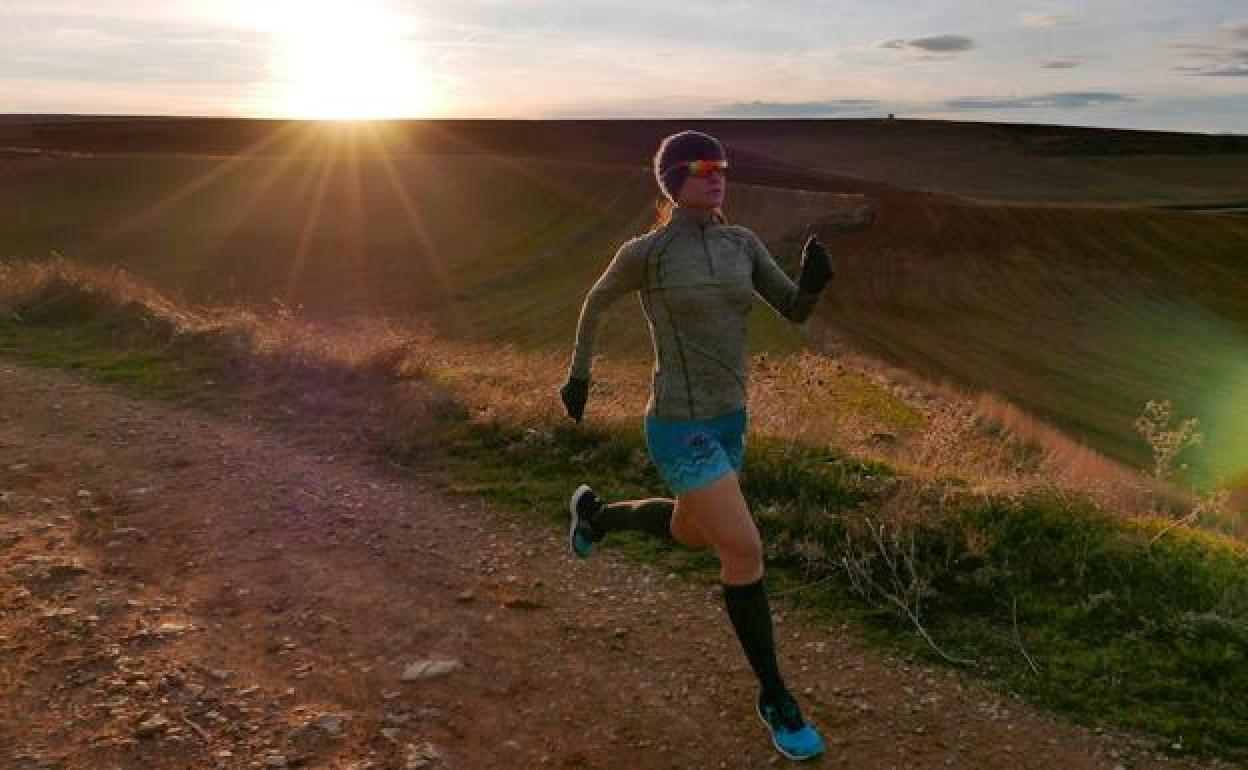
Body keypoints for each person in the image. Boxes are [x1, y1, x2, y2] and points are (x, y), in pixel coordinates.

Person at [557, 129, 835, 761]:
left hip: (731, 419)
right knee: (743, 549)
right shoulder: (647, 253)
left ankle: (595, 516)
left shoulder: (742, 243)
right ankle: (776, 699)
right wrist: (579, 377)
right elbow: (595, 303)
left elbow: (791, 308)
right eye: (704, 166)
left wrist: (813, 284)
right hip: (679, 425)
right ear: (674, 178)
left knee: (690, 532)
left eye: (723, 166)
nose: (718, 175)